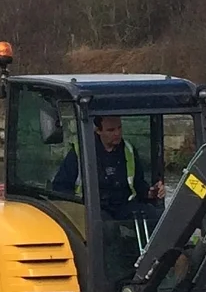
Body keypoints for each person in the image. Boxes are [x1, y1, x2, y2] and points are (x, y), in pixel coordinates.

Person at [54, 116, 164, 271]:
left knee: (157, 217)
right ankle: (109, 272)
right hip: (91, 207)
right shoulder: (79, 153)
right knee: (106, 228)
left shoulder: (128, 150)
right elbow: (60, 187)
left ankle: (157, 267)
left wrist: (150, 192)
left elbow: (138, 184)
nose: (117, 133)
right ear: (98, 130)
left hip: (123, 205)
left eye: (119, 128)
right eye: (111, 130)